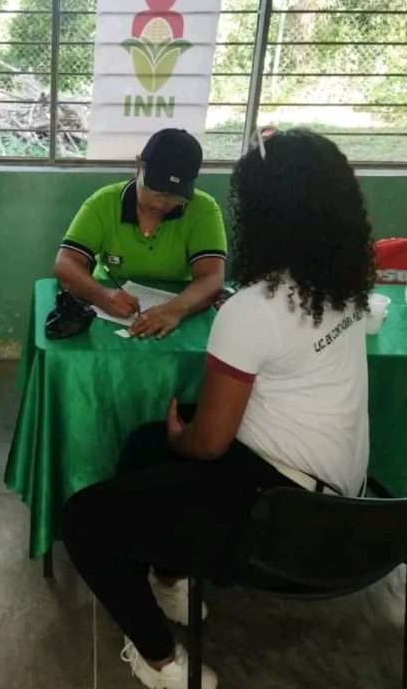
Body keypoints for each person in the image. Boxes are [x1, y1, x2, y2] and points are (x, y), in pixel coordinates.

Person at [61, 129, 374, 688]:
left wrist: (185, 435)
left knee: (85, 520)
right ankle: (170, 577)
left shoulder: (254, 308)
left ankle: (163, 661)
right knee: (142, 445)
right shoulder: (343, 286)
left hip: (284, 513)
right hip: (342, 496)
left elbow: (208, 445)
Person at [54, 128, 226, 339]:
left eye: (175, 196)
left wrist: (176, 309)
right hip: (109, 312)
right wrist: (103, 295)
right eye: (157, 191)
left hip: (179, 312)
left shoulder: (203, 209)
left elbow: (212, 276)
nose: (162, 202)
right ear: (138, 167)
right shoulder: (103, 202)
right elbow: (65, 264)